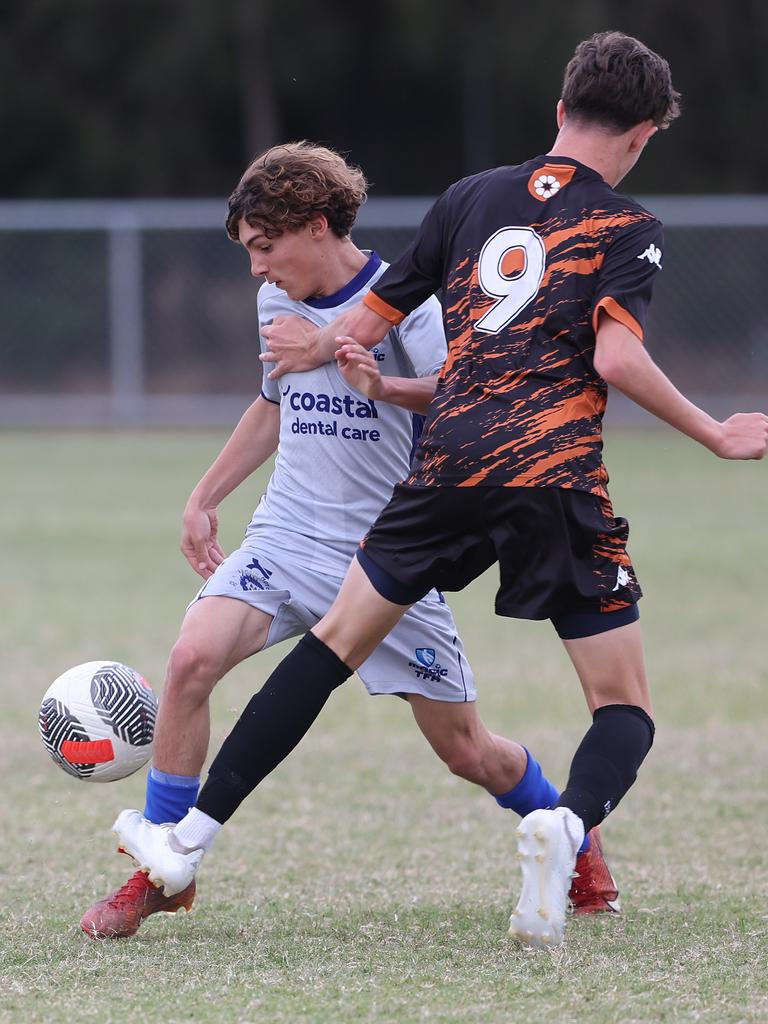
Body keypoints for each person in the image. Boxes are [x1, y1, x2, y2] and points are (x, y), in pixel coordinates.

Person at [82, 142, 619, 940]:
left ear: (318, 225)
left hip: (387, 559)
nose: (258, 270)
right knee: (191, 660)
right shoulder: (278, 303)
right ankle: (164, 871)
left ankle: (574, 834)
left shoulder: (414, 305)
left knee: (469, 751)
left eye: (266, 248)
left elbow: (462, 402)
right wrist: (204, 496)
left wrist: (349, 359)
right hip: (287, 532)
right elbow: (273, 401)